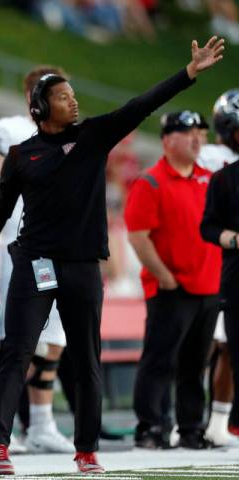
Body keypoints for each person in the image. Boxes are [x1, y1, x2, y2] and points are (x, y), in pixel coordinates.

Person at [0, 36, 224, 475]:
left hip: (80, 266)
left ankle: (86, 449)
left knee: (85, 357)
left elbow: (142, 104)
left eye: (73, 94)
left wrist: (189, 73)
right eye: (63, 97)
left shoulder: (94, 136)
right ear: (41, 107)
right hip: (35, 261)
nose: (73, 101)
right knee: (16, 351)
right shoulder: (21, 154)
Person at [0, 65, 74, 454]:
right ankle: (3, 425)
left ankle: (43, 424)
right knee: (16, 339)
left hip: (57, 251)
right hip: (15, 248)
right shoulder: (9, 132)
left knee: (52, 340)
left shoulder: (71, 137)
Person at [125, 111, 222, 450]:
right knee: (161, 359)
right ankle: (151, 426)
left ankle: (191, 428)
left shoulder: (210, 179)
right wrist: (164, 277)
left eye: (201, 133)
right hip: (171, 287)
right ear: (167, 140)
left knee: (196, 363)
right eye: (188, 133)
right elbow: (138, 235)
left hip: (209, 286)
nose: (197, 139)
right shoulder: (151, 181)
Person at [201, 89, 239, 445]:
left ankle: (220, 421)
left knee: (224, 347)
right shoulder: (215, 160)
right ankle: (210, 420)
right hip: (211, 266)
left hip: (218, 265)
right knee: (216, 347)